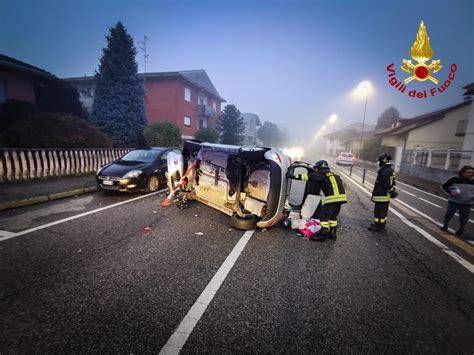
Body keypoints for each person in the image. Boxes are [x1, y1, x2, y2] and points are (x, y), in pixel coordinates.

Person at [287, 160, 347, 240]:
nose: (316, 170)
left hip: (332, 198)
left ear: (319, 168)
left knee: (324, 216)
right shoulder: (335, 174)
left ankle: (323, 234)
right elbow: (344, 184)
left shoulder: (322, 173)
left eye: (316, 169)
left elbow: (308, 177)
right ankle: (333, 233)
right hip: (342, 198)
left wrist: (292, 176)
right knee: (333, 216)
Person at [440, 165, 474, 236]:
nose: (471, 174)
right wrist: (450, 192)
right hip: (454, 201)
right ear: (462, 173)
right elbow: (443, 186)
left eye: (472, 173)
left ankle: (461, 229)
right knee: (449, 214)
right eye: (468, 172)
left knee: (464, 217)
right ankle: (445, 225)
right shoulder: (455, 179)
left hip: (467, 203)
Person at [368, 153, 397, 232]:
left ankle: (379, 227)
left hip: (382, 196)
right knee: (382, 213)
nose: (378, 163)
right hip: (384, 196)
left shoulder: (384, 172)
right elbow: (393, 183)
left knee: (379, 212)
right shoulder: (389, 170)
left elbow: (386, 184)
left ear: (383, 162)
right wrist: (392, 191)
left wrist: (391, 191)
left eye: (379, 161)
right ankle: (379, 225)